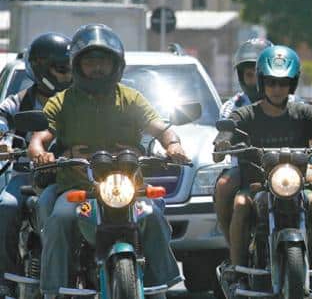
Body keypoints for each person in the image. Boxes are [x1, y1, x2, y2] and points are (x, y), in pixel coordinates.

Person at [27, 24, 189, 299]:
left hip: (128, 190)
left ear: (116, 64)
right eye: (90, 61)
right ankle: (53, 290)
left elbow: (160, 127)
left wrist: (173, 145)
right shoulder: (63, 101)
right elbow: (38, 138)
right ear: (77, 65)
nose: (97, 68)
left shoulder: (130, 98)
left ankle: (163, 283)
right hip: (79, 191)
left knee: (153, 214)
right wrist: (41, 152)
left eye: (103, 61)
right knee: (59, 219)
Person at [213, 45, 312, 295]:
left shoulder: (303, 112)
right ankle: (239, 272)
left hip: (297, 184)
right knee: (241, 204)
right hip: (257, 185)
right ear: (262, 83)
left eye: (283, 83)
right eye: (272, 83)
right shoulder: (245, 113)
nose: (277, 89)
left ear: (292, 85)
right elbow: (228, 130)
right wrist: (223, 141)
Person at [0, 33, 72, 296]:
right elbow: (1, 119)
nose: (68, 76)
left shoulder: (77, 100)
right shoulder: (19, 101)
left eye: (71, 69)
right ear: (42, 68)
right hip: (27, 175)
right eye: (62, 69)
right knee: (6, 207)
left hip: (71, 173)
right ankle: (4, 279)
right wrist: (4, 140)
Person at [214, 38, 272, 252]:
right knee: (224, 186)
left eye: (261, 75)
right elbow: (223, 137)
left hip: (286, 167)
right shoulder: (234, 106)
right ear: (241, 77)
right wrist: (222, 143)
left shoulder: (290, 100)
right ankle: (234, 251)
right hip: (247, 169)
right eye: (250, 75)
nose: (256, 81)